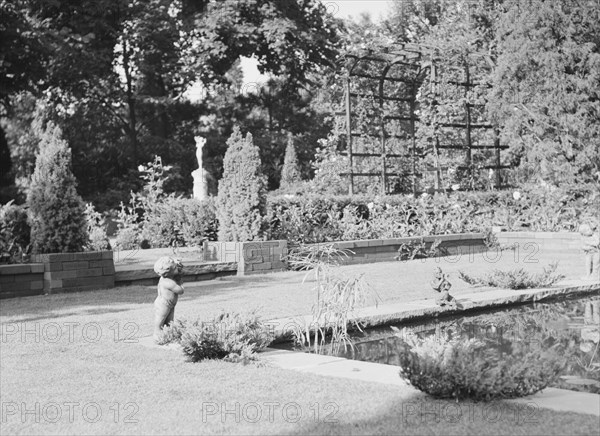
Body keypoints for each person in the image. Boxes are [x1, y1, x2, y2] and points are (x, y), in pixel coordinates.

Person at [153, 256, 184, 342]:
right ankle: (157, 333)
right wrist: (180, 280)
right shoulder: (168, 282)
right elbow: (180, 290)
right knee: (160, 319)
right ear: (168, 271)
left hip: (170, 304)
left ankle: (169, 334)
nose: (177, 269)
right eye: (175, 268)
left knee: (169, 321)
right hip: (163, 304)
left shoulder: (167, 278)